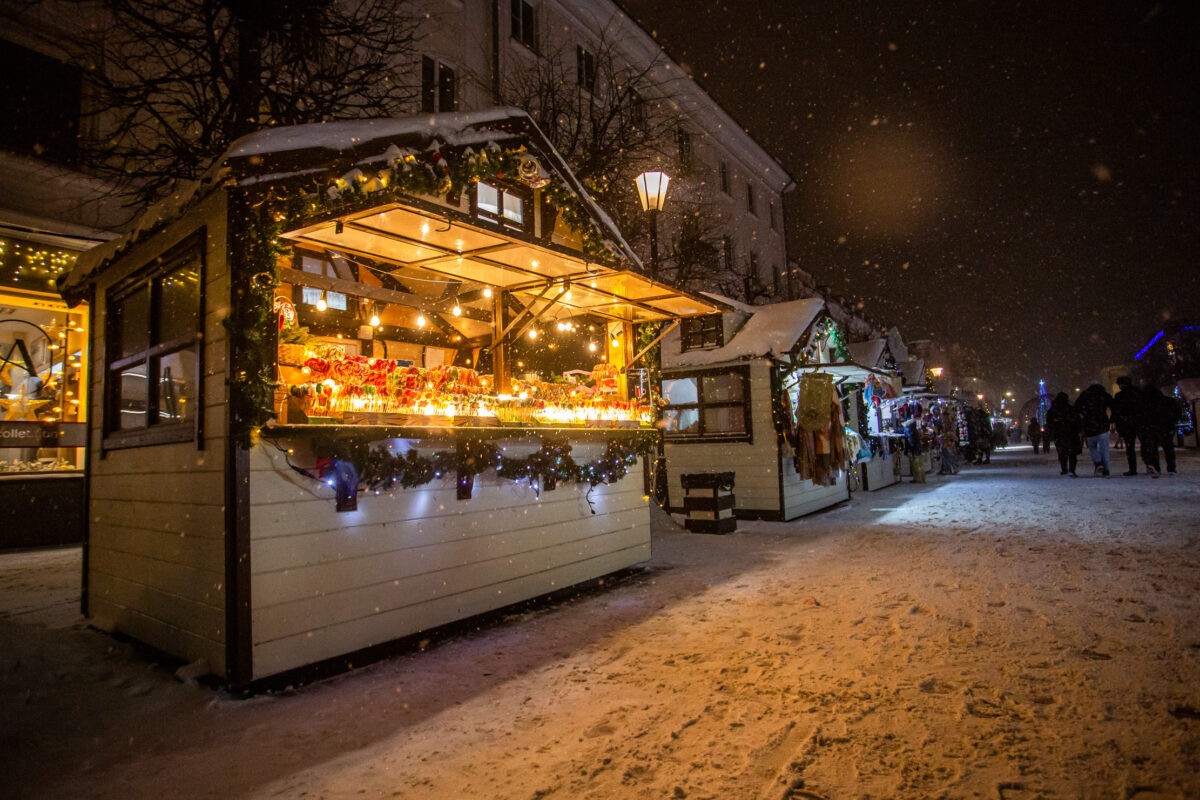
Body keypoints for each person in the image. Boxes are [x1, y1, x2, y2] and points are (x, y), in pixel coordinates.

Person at [1139, 385, 1179, 476]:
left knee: (1153, 449)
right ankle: (1171, 468)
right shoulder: (1168, 401)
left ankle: (1156, 467)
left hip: (1153, 428)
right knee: (1168, 448)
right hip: (1166, 427)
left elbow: (1142, 416)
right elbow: (1177, 413)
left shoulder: (1146, 403)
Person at [1075, 383, 1113, 476]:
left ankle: (1098, 463)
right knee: (1104, 448)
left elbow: (1077, 407)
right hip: (1103, 424)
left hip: (1089, 425)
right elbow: (1114, 406)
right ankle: (1106, 469)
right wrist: (1112, 419)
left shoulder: (1085, 395)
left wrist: (1084, 414)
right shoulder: (1104, 395)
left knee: (1092, 447)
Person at [1046, 392, 1082, 476]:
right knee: (1072, 452)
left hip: (1059, 433)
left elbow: (1049, 422)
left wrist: (1052, 430)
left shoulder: (1053, 410)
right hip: (1071, 433)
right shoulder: (1071, 409)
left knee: (1062, 452)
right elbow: (1077, 420)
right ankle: (1072, 469)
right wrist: (1078, 429)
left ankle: (1064, 468)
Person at [1111, 376, 1140, 475]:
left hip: (1127, 424)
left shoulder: (1120, 396)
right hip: (1139, 422)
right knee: (1146, 444)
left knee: (1130, 447)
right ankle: (1151, 464)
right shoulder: (1138, 393)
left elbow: (1116, 411)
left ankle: (1133, 468)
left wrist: (1114, 421)